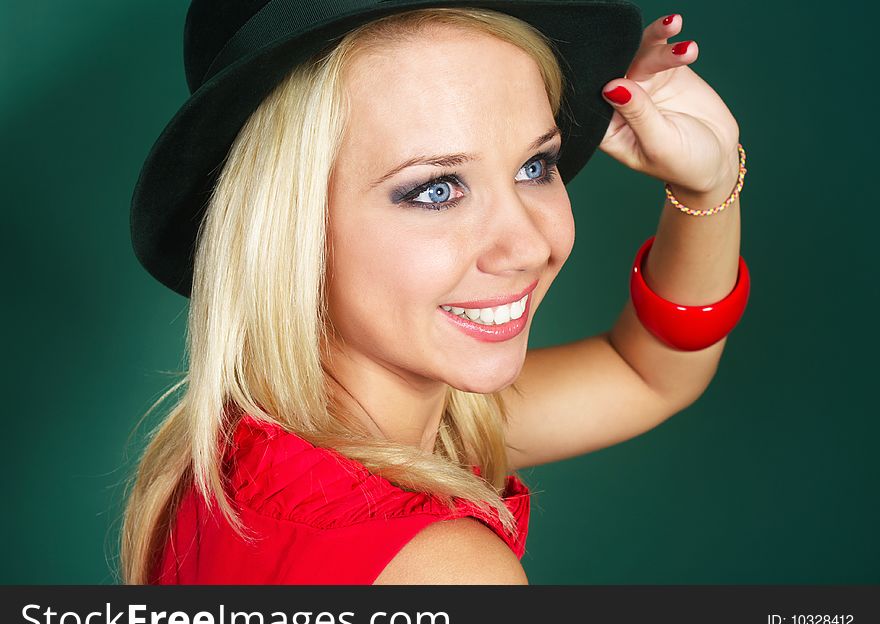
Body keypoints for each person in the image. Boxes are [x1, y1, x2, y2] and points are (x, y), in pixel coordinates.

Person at [121, 0, 749, 585]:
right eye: (436, 189)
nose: (528, 247)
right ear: (289, 228)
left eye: (536, 167)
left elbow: (648, 374)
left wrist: (710, 187)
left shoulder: (238, 457)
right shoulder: (449, 572)